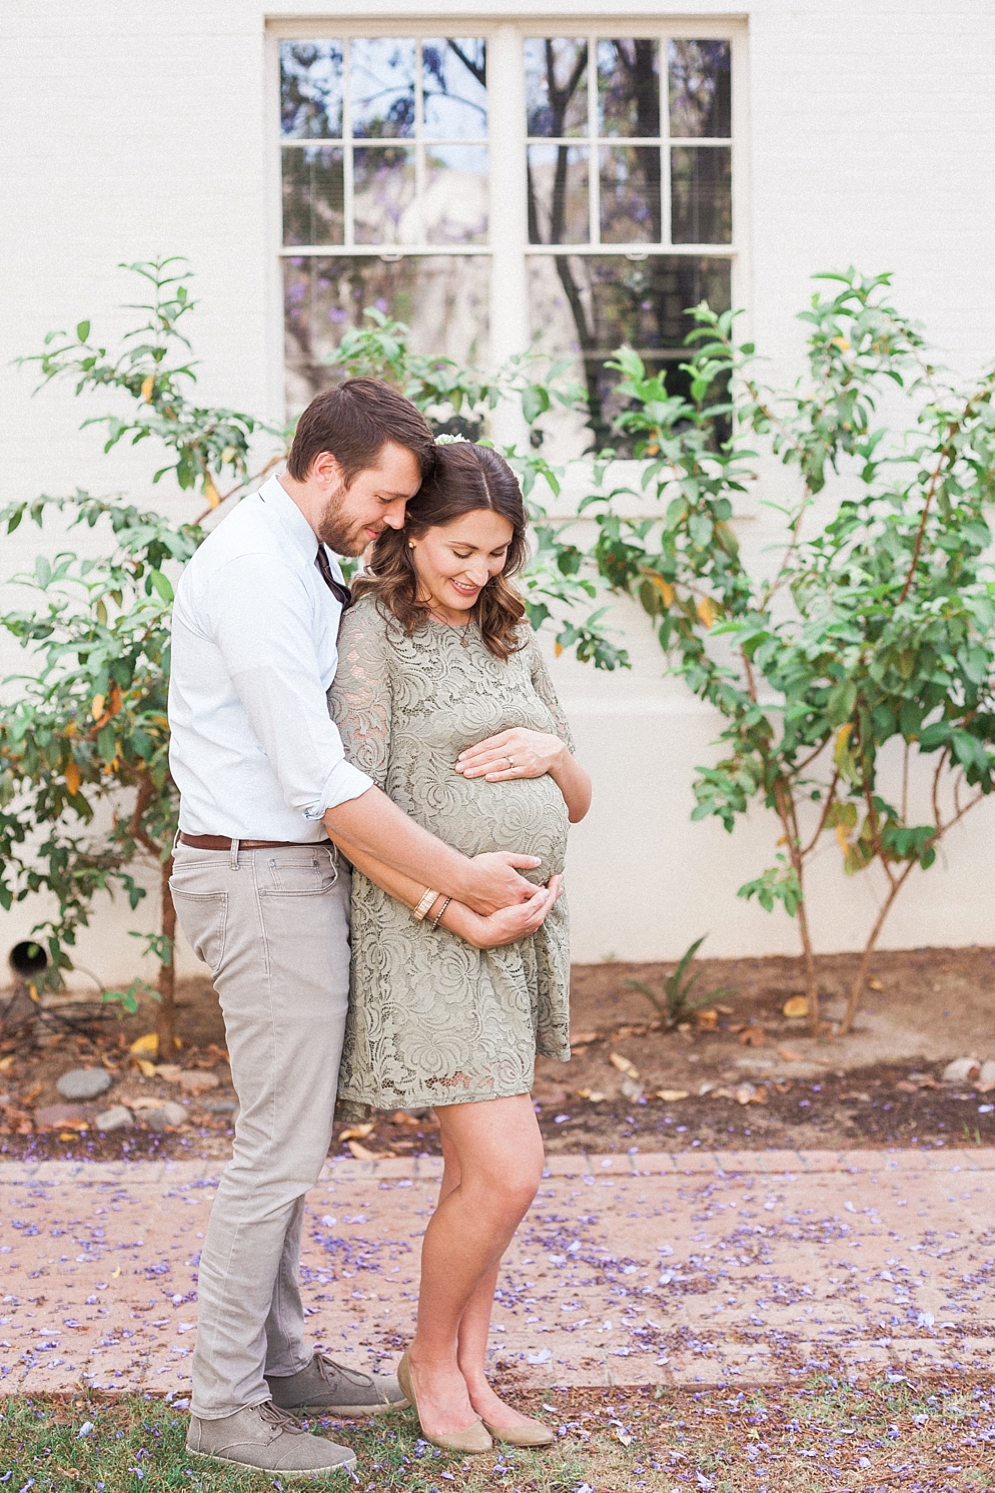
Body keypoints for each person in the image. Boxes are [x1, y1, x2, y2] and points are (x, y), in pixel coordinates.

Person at [167, 382, 560, 1475]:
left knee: (294, 1140)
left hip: (297, 876)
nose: (393, 522)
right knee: (275, 1151)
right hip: (262, 876)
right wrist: (455, 893)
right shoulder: (251, 571)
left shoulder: (292, 556)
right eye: (388, 499)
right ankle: (225, 1406)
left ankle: (281, 1357)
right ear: (327, 467)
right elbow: (323, 782)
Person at [327, 440, 591, 1454]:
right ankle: (427, 1358)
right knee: (507, 1169)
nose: (478, 569)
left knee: (475, 1174)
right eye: (459, 547)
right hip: (432, 931)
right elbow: (346, 812)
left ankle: (473, 1370)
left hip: (517, 932)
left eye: (496, 550)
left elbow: (578, 796)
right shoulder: (372, 633)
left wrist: (551, 752)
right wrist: (450, 900)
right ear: (412, 532)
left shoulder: (510, 632)